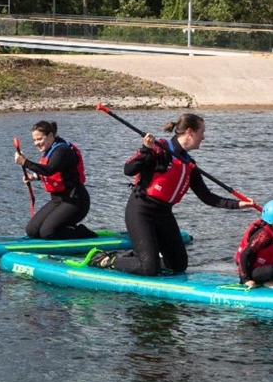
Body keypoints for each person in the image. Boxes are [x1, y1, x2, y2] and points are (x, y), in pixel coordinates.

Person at [87, 113, 253, 274]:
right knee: (149, 269)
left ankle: (140, 257)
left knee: (178, 265)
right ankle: (106, 260)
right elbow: (128, 169)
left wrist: (239, 205)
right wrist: (146, 149)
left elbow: (207, 197)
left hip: (164, 214)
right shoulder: (160, 149)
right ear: (190, 131)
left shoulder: (189, 164)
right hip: (141, 210)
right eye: (202, 132)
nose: (204, 136)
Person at [13, 120, 94, 240]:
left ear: (50, 136)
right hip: (58, 200)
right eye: (34, 140)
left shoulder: (62, 151)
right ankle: (62, 229)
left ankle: (81, 232)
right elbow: (58, 173)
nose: (36, 143)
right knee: (32, 230)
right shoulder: (50, 150)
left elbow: (50, 170)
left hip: (75, 201)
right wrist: (34, 177)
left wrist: (25, 162)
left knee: (48, 232)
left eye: (40, 139)